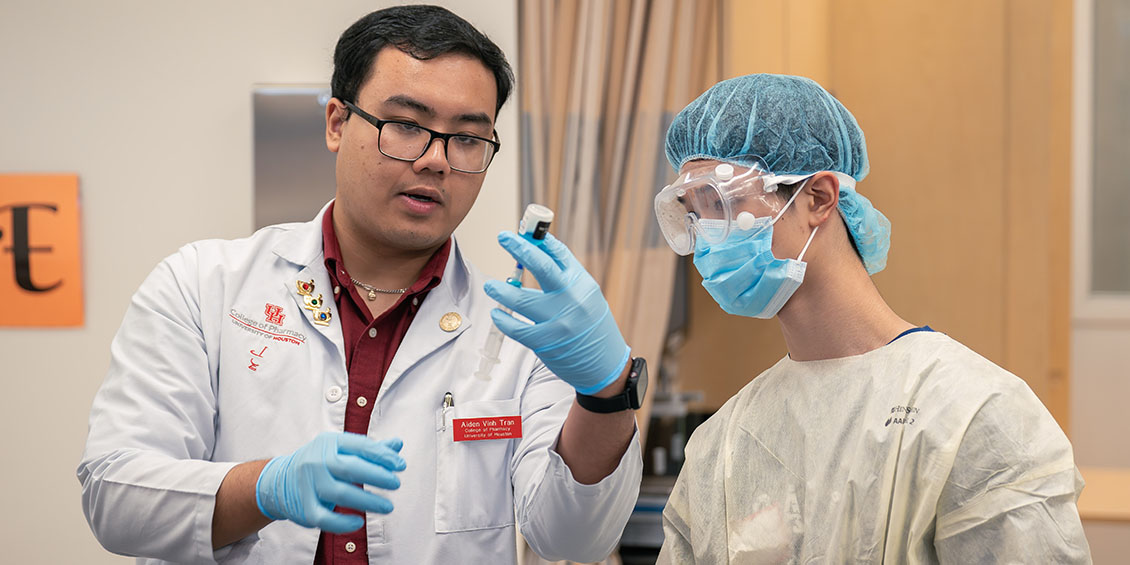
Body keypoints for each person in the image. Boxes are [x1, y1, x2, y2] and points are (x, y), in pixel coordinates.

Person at [78, 6, 646, 564]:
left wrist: (607, 392)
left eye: (468, 138)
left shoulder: (523, 333)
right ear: (336, 123)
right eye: (406, 126)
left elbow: (574, 540)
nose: (436, 161)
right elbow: (115, 496)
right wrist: (264, 488)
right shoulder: (202, 287)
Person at [652, 74, 1091, 563]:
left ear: (819, 198)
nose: (706, 239)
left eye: (721, 203)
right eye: (694, 214)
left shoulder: (973, 415)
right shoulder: (724, 442)